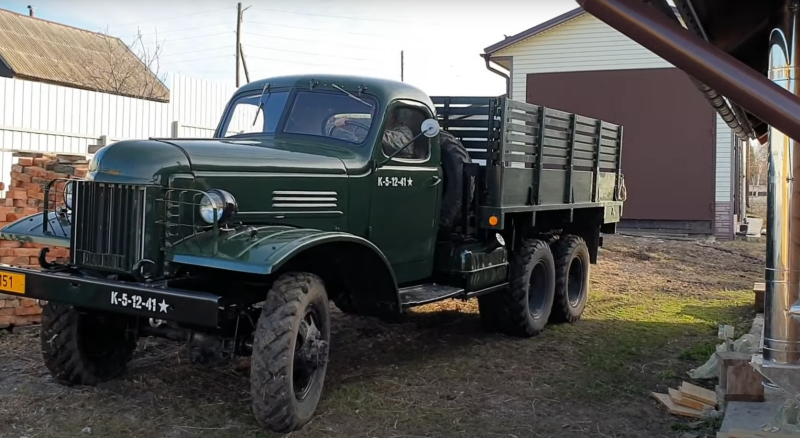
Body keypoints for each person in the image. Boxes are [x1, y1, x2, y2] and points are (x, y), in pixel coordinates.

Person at [334, 110, 415, 158]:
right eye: (373, 113)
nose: (374, 115)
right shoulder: (376, 129)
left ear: (393, 115)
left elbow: (390, 139)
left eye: (380, 112)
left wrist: (353, 126)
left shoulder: (404, 132)